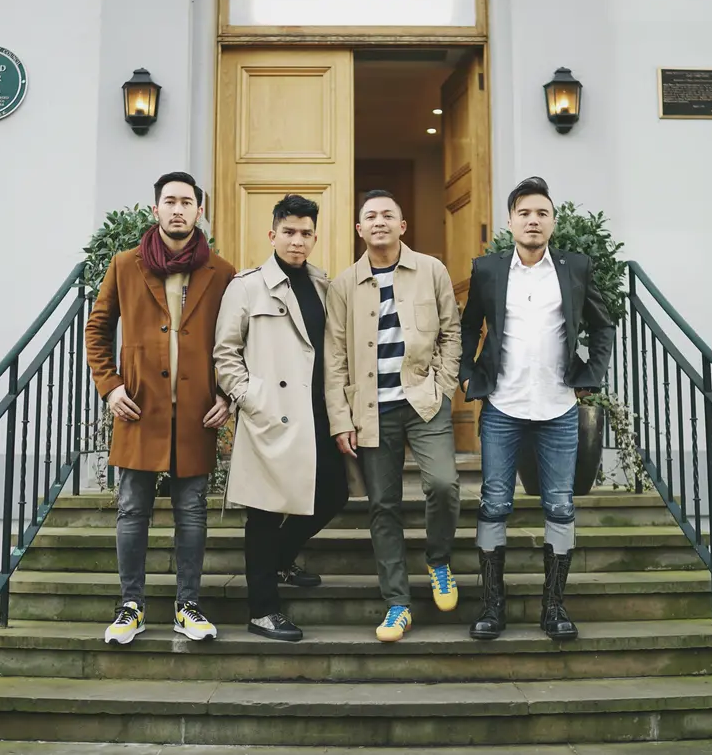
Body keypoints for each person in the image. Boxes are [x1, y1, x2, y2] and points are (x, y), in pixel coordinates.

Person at [460, 175, 615, 641]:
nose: (533, 220)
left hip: (559, 408)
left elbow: (603, 326)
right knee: (493, 506)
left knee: (561, 507)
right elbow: (468, 326)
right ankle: (492, 607)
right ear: (510, 221)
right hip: (503, 407)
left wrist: (591, 375)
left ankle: (554, 607)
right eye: (524, 212)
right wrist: (468, 373)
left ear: (553, 221)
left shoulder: (575, 267)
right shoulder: (488, 270)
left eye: (541, 213)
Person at [86, 171, 236, 646]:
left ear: (199, 211)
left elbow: (237, 341)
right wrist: (109, 387)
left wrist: (228, 395)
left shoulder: (222, 272)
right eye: (169, 201)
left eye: (186, 202)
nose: (178, 209)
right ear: (156, 209)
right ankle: (130, 606)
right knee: (132, 510)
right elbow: (97, 329)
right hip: (138, 409)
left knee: (192, 511)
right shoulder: (126, 264)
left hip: (197, 412)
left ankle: (186, 606)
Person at [325, 189, 461, 643]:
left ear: (403, 226)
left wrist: (442, 386)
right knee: (383, 506)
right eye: (370, 216)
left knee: (443, 482)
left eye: (388, 214)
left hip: (424, 400)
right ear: (359, 229)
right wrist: (341, 418)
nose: (379, 221)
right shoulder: (344, 285)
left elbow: (451, 331)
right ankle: (397, 604)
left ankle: (438, 559)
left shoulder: (432, 270)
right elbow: (335, 357)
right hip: (370, 410)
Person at [212, 194, 349, 642]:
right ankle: (262, 610)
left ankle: (280, 562)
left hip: (316, 414)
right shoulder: (247, 286)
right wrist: (250, 398)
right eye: (289, 232)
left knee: (333, 493)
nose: (297, 240)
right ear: (272, 235)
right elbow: (226, 353)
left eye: (306, 233)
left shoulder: (323, 284)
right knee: (265, 514)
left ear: (314, 236)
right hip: (272, 415)